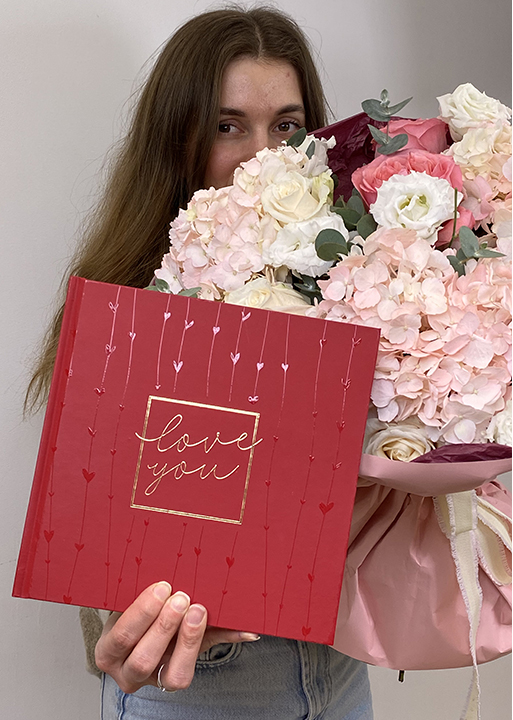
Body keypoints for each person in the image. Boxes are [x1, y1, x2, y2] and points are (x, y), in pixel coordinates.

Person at [25, 8, 372, 719]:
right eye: (226, 126)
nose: (260, 157)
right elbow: (99, 532)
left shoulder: (357, 280)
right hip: (203, 681)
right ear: (177, 138)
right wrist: (123, 623)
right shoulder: (126, 307)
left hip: (338, 668)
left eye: (286, 126)